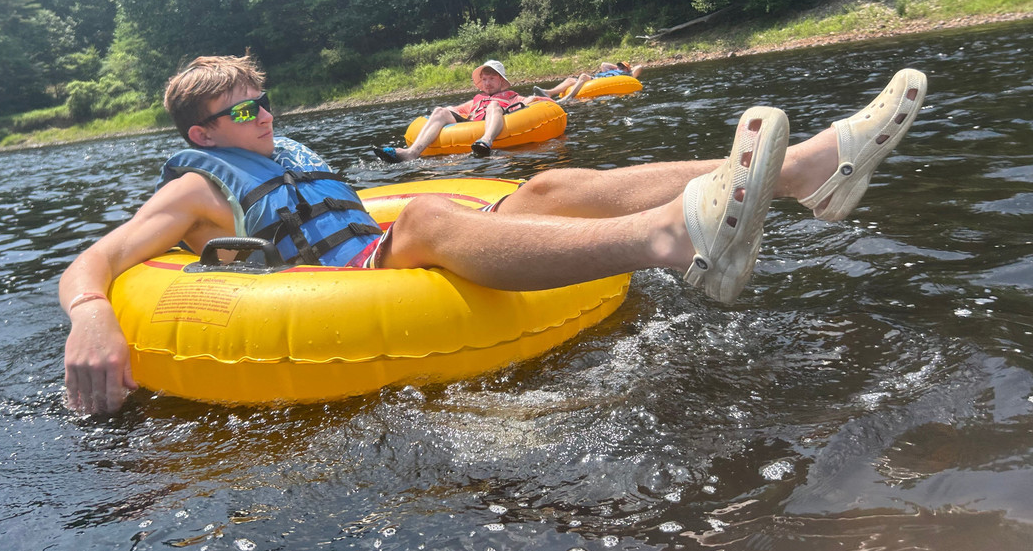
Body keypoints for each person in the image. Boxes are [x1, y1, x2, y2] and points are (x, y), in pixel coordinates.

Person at [60, 54, 927, 415]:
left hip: (377, 250)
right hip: (358, 278)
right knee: (437, 216)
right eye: (241, 109)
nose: (263, 115)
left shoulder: (276, 149)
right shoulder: (194, 192)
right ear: (202, 133)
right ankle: (670, 240)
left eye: (263, 100)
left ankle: (804, 171)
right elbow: (94, 260)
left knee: (546, 182)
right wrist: (93, 314)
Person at [373, 60, 549, 161]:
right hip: (473, 125)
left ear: (502, 81)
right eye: (484, 79)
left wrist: (532, 99)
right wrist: (446, 111)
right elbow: (457, 110)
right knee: (440, 111)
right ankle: (411, 152)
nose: (487, 83)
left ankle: (486, 141)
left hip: (491, 127)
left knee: (494, 106)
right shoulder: (477, 99)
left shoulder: (511, 96)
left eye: (492, 78)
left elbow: (534, 103)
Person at [534, 61, 646, 103]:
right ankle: (548, 93)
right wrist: (616, 68)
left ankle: (567, 98)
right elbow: (603, 64)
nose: (619, 68)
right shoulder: (614, 70)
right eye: (619, 66)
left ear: (627, 69)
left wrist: (627, 70)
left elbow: (640, 67)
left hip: (600, 81)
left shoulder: (627, 74)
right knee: (570, 79)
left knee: (583, 76)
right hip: (597, 78)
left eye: (622, 67)